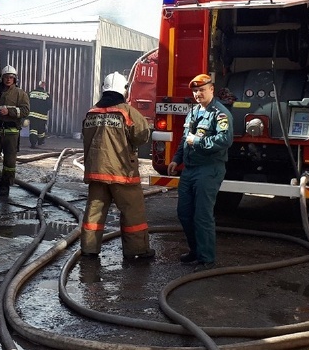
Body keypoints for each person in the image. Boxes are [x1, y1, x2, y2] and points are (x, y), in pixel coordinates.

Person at [80, 72, 155, 261]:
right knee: (132, 212)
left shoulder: (91, 112)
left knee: (94, 213)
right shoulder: (127, 111)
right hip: (122, 173)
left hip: (96, 172)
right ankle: (137, 251)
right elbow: (141, 135)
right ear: (124, 90)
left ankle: (89, 249)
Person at [167, 73, 234, 272]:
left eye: (202, 90)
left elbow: (225, 140)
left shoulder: (220, 114)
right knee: (184, 213)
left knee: (202, 216)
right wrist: (176, 159)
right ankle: (195, 251)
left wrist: (198, 142)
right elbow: (184, 139)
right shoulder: (194, 111)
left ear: (211, 89)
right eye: (195, 91)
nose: (198, 94)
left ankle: (207, 259)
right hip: (189, 170)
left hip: (209, 169)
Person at [0, 65, 30, 196]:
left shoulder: (20, 93)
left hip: (11, 132)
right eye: (6, 77)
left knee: (9, 162)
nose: (8, 79)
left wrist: (10, 111)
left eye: (11, 77)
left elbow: (25, 110)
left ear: (15, 79)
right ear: (2, 78)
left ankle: (5, 186)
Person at [27, 80, 53, 148]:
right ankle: (40, 141)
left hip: (32, 115)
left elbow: (26, 103)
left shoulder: (31, 93)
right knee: (41, 130)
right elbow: (49, 105)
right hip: (42, 116)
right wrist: (44, 110)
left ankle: (33, 143)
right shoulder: (46, 95)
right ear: (44, 86)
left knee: (33, 130)